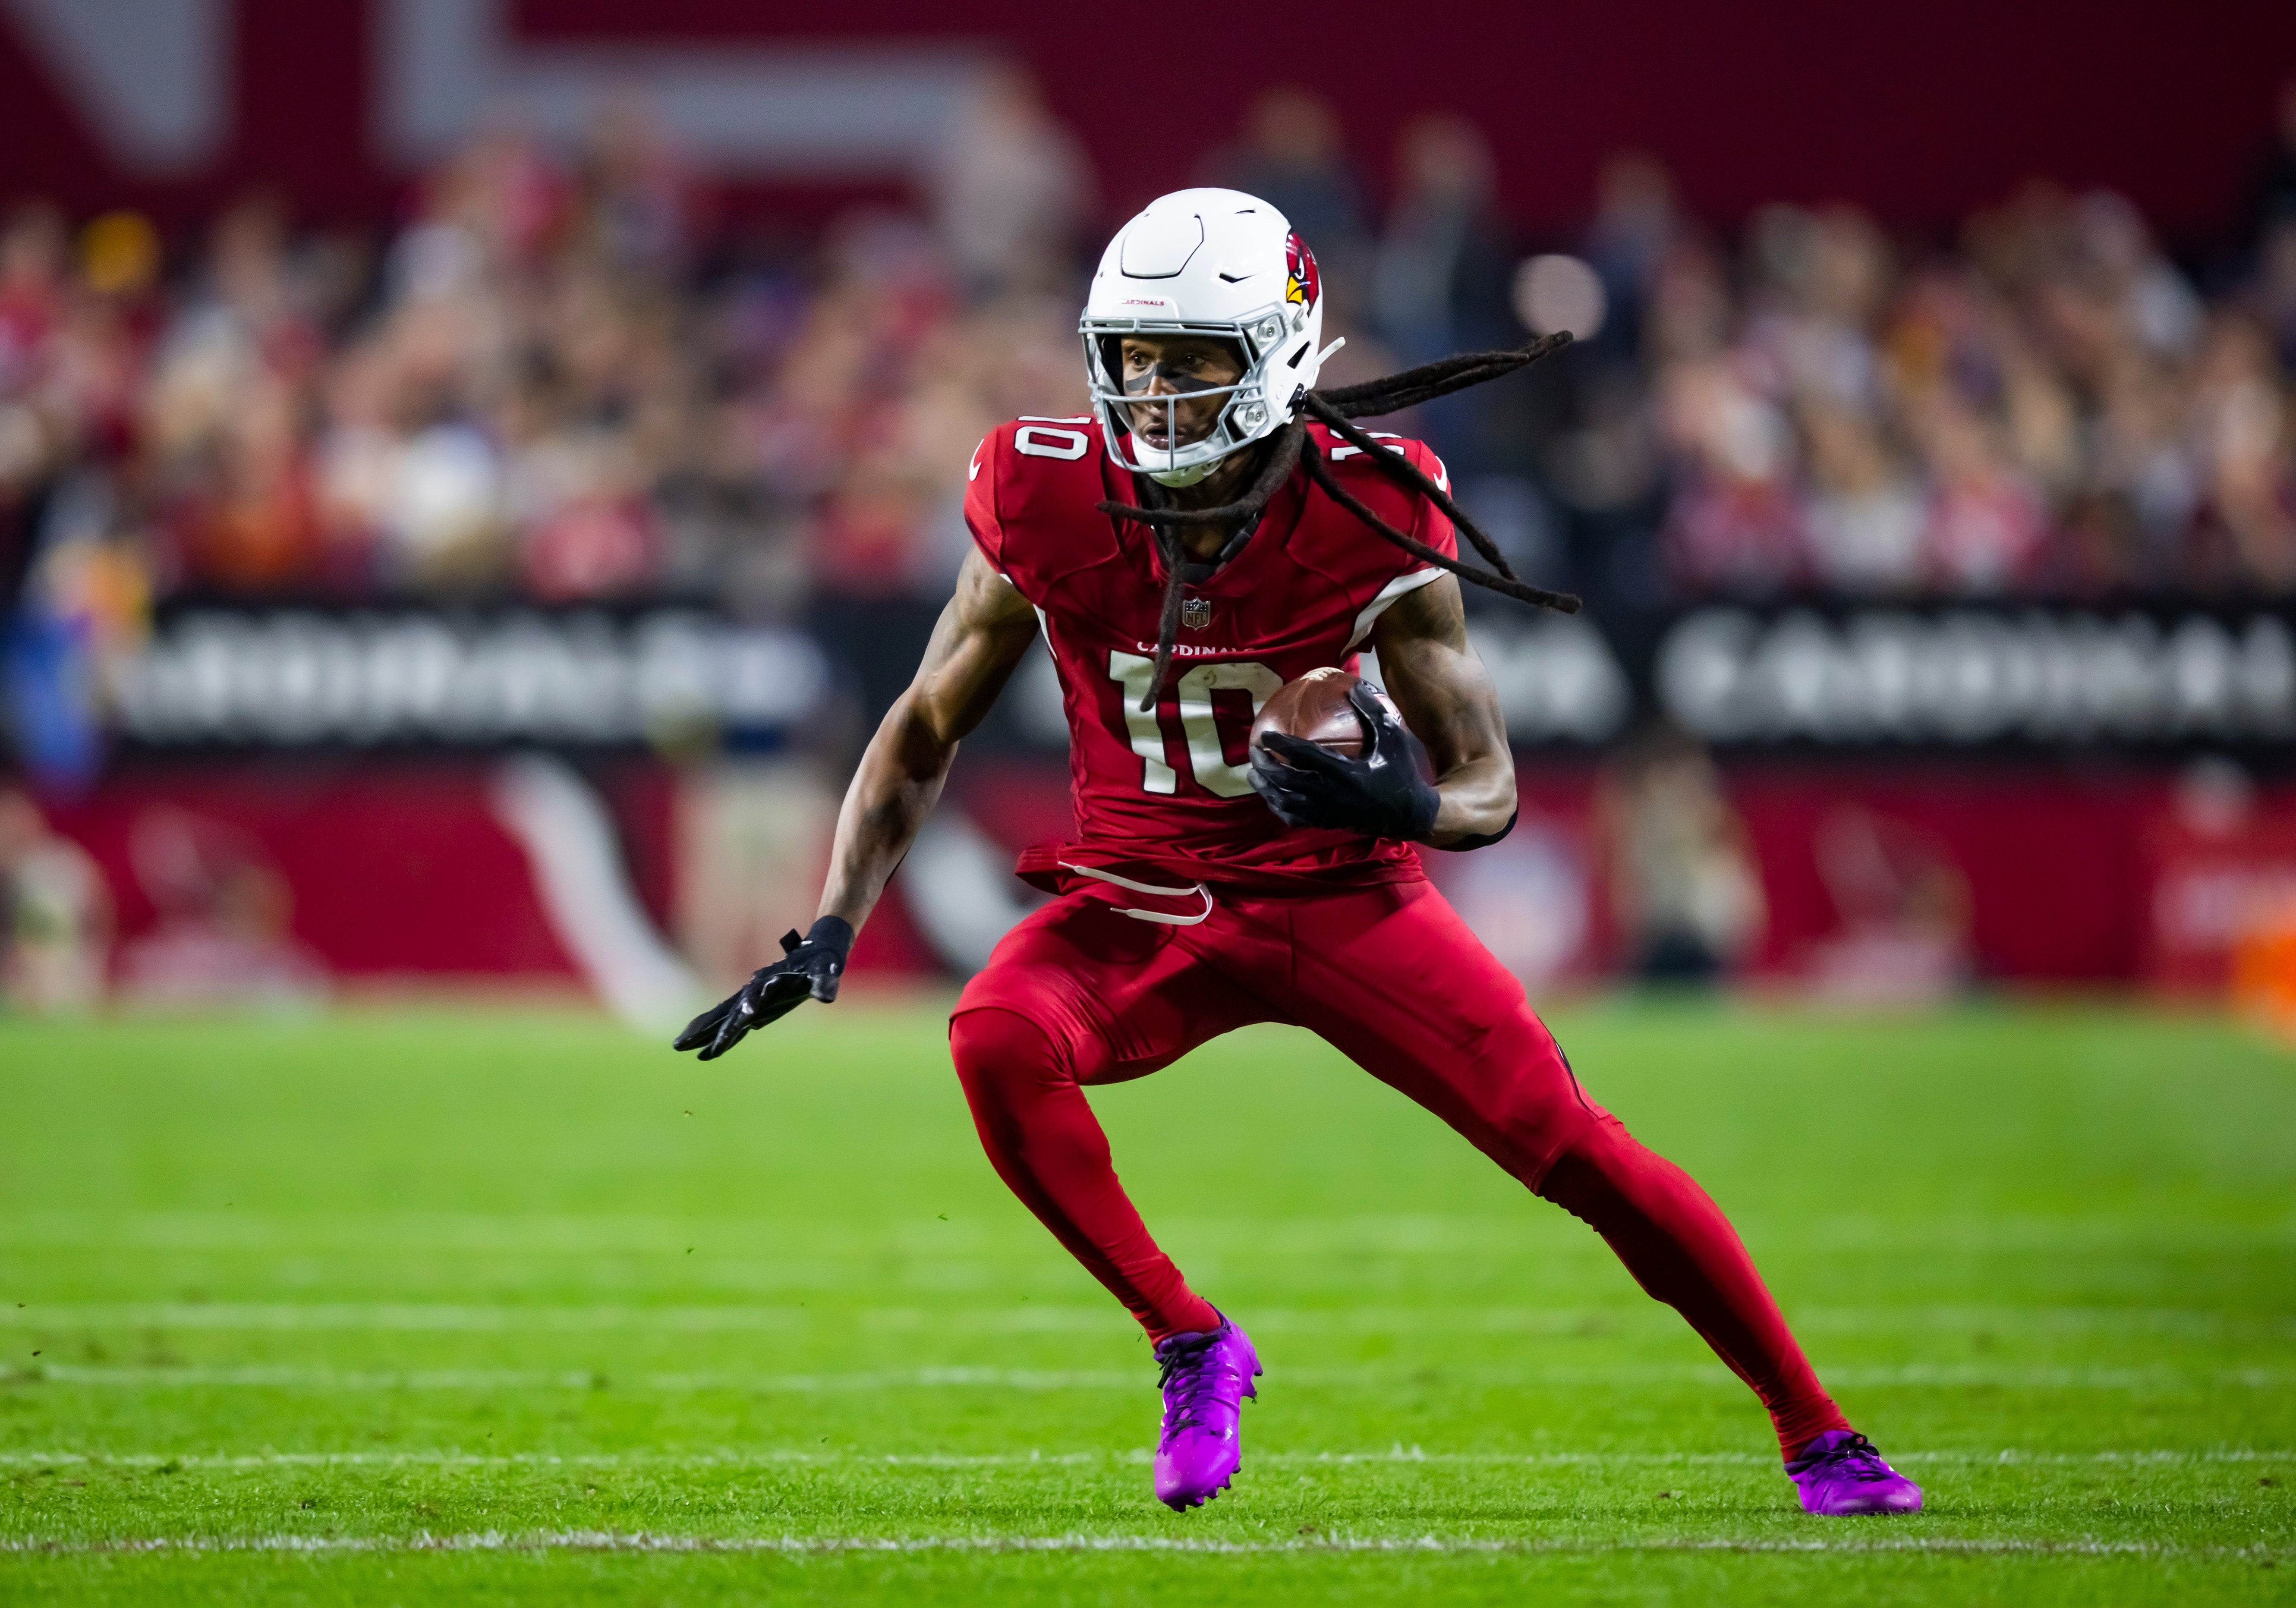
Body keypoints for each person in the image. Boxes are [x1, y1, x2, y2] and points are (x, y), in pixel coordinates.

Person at [674, 189, 1921, 1520]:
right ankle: (1188, 1339)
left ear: (1275, 353)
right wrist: (832, 926)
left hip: (1342, 897)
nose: (1153, 395)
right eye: (1134, 358)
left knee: (1573, 1147)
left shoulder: (1373, 505)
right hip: (1146, 900)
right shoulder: (1038, 488)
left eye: (1194, 360)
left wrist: (1404, 810)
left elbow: (1486, 785)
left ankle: (1818, 1433)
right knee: (991, 1034)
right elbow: (923, 723)